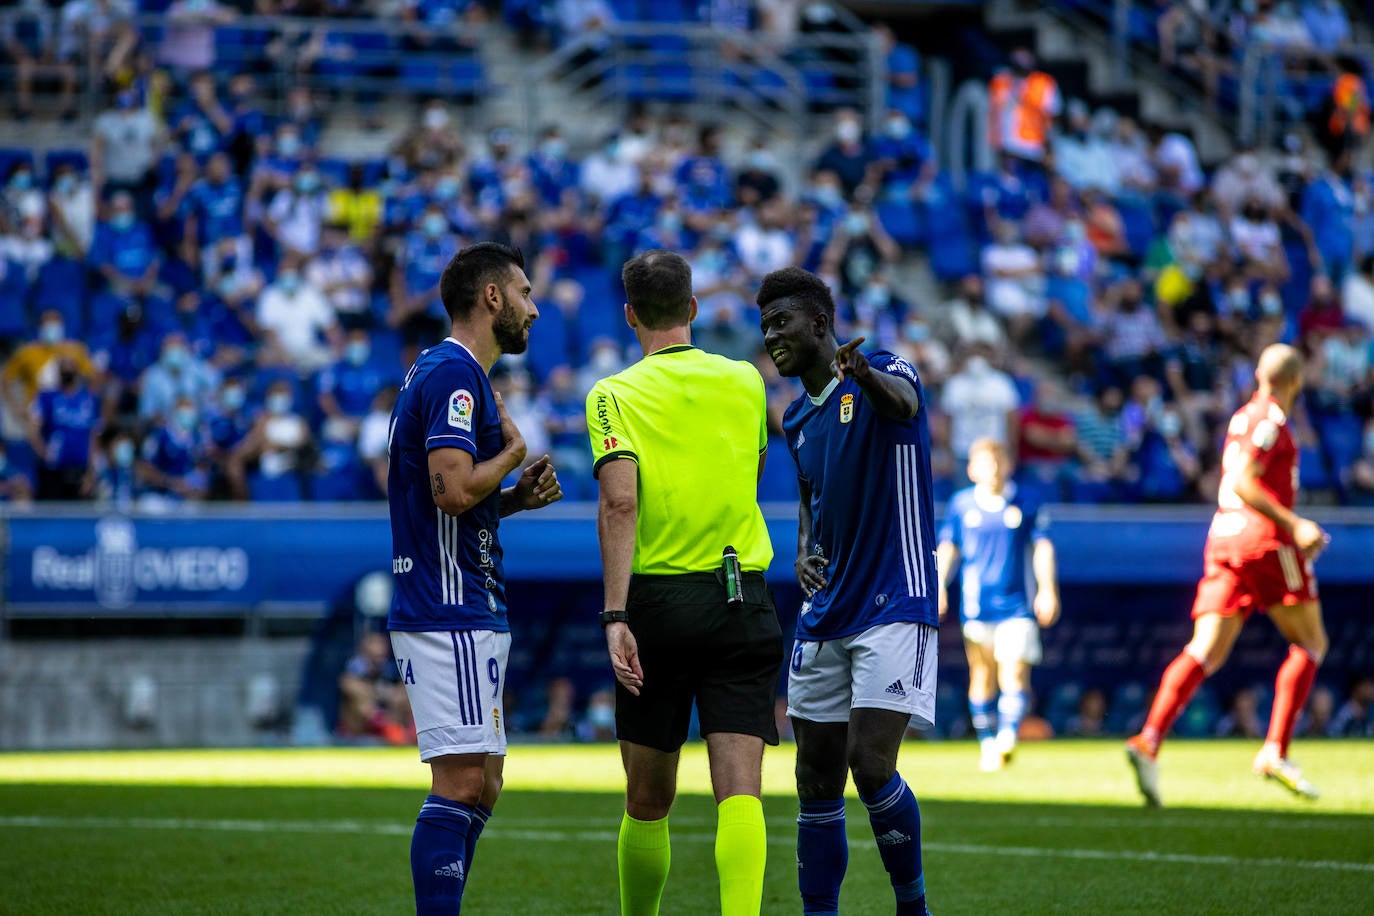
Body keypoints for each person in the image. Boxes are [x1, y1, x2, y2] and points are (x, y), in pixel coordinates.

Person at [586, 250, 782, 916]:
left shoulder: (612, 395)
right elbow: (750, 475)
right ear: (694, 309)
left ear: (630, 315)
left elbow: (619, 504)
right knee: (740, 792)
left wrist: (616, 614)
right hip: (740, 595)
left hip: (658, 605)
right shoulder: (748, 382)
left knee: (647, 799)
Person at [385, 242, 563, 914]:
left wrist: (512, 498)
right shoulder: (455, 376)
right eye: (523, 293)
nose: (534, 308)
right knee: (460, 783)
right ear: (491, 297)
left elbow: (452, 499)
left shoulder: (440, 374)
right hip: (447, 605)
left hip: (467, 600)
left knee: (484, 783)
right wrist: (513, 453)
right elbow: (452, 492)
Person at [758, 266, 934, 916]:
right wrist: (804, 549)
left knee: (871, 763)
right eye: (766, 326)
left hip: (894, 596)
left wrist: (862, 377)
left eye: (783, 323)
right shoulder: (795, 417)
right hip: (826, 610)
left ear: (821, 324)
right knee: (814, 773)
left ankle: (913, 908)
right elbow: (810, 498)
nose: (773, 336)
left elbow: (906, 407)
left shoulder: (887, 369)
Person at [1126, 344, 1331, 806]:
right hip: (1263, 540)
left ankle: (1149, 738)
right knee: (1311, 643)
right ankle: (1275, 750)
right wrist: (1294, 524)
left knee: (1204, 651)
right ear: (1297, 382)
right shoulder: (1274, 421)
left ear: (1259, 374)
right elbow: (1242, 479)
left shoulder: (1242, 415)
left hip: (1223, 537)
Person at [936, 438, 1059, 772]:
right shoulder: (962, 505)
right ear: (973, 469)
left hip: (1017, 606)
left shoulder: (1026, 501)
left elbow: (1042, 549)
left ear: (1008, 464)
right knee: (982, 673)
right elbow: (949, 549)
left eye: (999, 461)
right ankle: (988, 740)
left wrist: (1047, 590)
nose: (993, 469)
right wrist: (939, 587)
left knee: (1015, 671)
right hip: (976, 607)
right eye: (986, 463)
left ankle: (1007, 737)